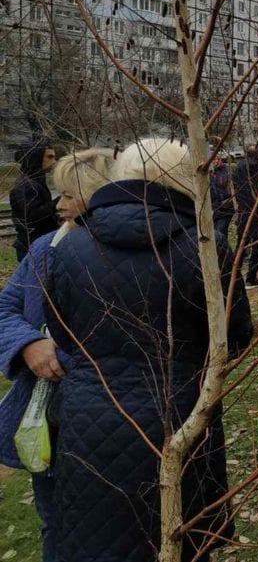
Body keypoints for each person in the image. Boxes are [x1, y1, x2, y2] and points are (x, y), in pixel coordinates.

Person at [44, 138, 253, 562]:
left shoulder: (70, 248)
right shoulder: (204, 248)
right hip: (180, 416)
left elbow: (63, 332)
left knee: (98, 538)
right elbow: (233, 338)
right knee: (181, 536)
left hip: (89, 419)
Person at [0, 147, 114, 562]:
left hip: (109, 423)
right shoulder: (46, 249)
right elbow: (5, 307)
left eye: (70, 194)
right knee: (56, 524)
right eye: (58, 193)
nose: (59, 204)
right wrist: (27, 343)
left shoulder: (132, 257)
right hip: (49, 423)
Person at [9, 140, 58, 261]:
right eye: (50, 157)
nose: (54, 161)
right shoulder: (26, 185)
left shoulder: (34, 181)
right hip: (30, 248)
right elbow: (31, 217)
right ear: (36, 157)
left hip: (36, 245)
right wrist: (59, 201)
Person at [231, 146, 258, 287]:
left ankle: (234, 273)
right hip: (254, 209)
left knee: (242, 243)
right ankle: (251, 276)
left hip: (243, 209)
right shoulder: (256, 167)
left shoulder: (239, 166)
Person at [209, 151, 234, 244]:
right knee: (214, 233)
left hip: (225, 209)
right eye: (212, 160)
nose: (214, 162)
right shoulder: (207, 173)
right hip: (211, 209)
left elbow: (232, 190)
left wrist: (226, 202)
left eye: (216, 159)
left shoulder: (227, 172)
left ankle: (224, 254)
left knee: (221, 231)